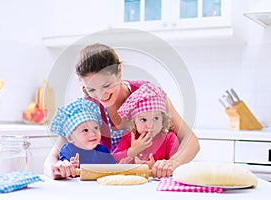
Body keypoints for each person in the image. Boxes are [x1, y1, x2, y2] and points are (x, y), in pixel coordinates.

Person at [44, 43, 200, 179]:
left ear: (119, 71)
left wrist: (174, 162)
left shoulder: (148, 94)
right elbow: (51, 158)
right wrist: (57, 168)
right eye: (91, 89)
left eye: (106, 85)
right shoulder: (87, 106)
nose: (101, 95)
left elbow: (190, 140)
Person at [112, 83, 179, 169]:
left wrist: (154, 167)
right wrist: (133, 150)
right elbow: (114, 159)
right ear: (134, 122)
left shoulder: (170, 139)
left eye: (156, 118)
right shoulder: (128, 137)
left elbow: (175, 166)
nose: (150, 126)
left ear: (163, 119)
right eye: (143, 120)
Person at [50, 98, 116, 179]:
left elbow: (113, 169)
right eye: (85, 130)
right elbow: (64, 167)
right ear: (70, 138)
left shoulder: (103, 150)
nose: (93, 133)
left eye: (95, 128)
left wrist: (120, 165)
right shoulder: (68, 150)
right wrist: (71, 167)